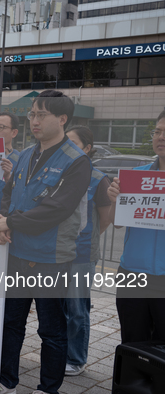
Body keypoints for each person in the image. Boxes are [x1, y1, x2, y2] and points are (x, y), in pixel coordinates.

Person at [0, 90, 91, 394]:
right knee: (11, 323)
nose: (34, 120)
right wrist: (2, 220)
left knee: (51, 330)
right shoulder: (24, 155)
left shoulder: (77, 161)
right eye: (32, 114)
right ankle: (6, 380)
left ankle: (48, 388)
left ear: (61, 119)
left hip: (51, 257)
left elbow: (57, 209)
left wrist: (11, 222)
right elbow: (10, 193)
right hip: (18, 252)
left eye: (41, 114)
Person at [107, 111, 165, 344]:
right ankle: (134, 382)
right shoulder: (136, 177)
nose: (161, 137)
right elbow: (118, 222)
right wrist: (114, 200)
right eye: (158, 132)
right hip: (132, 275)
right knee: (132, 343)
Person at [63, 125, 111, 376]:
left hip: (81, 255)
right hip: (56, 252)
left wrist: (85, 241)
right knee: (57, 306)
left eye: (73, 143)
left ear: (87, 148)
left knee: (77, 308)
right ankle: (59, 352)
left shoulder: (98, 178)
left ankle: (76, 358)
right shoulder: (60, 173)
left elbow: (105, 219)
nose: (67, 147)